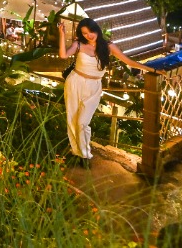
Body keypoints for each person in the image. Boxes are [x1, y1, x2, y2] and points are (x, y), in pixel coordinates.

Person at [57, 17, 160, 165]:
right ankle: (79, 153)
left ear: (96, 29)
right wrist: (62, 34)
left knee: (82, 122)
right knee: (72, 118)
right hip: (75, 82)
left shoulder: (108, 46)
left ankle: (83, 153)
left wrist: (153, 70)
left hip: (93, 87)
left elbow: (129, 61)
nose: (89, 35)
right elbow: (63, 55)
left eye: (91, 31)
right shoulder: (79, 44)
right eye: (84, 33)